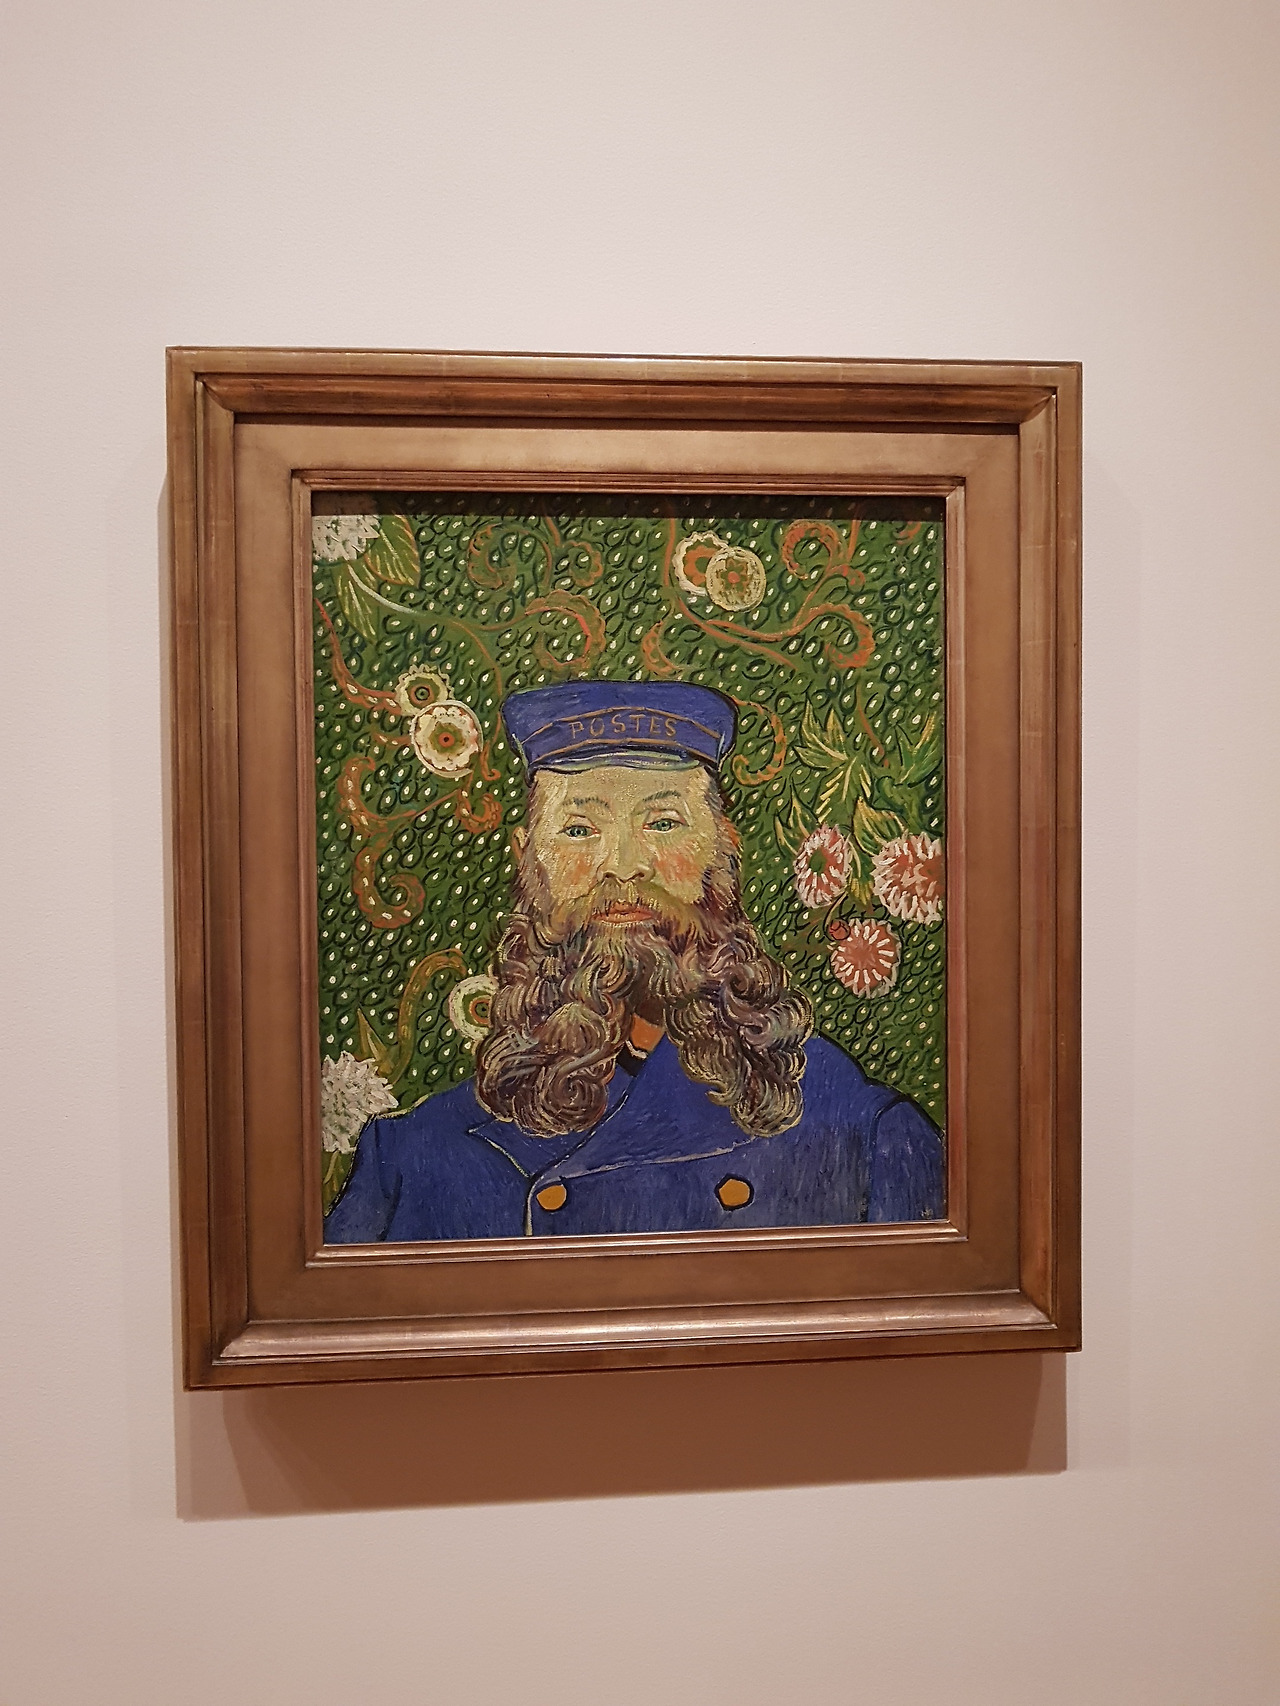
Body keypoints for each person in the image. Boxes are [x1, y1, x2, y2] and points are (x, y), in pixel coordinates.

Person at [324, 680, 944, 1242]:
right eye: (578, 830)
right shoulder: (411, 1155)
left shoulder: (864, 1134)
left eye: (663, 823)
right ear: (527, 859)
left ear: (724, 850)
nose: (623, 865)